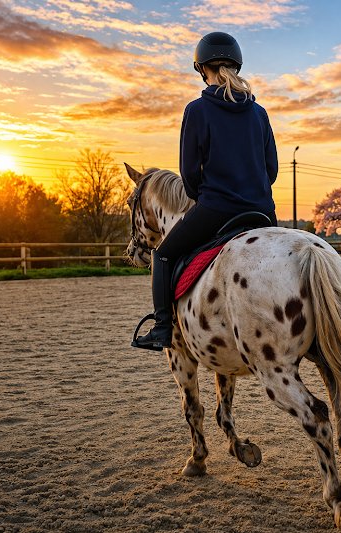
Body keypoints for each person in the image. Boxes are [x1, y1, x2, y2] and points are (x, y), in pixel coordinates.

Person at [132, 31, 279, 351]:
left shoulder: (197, 110)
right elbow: (273, 172)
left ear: (201, 68)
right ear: (237, 66)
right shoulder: (259, 113)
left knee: (164, 254)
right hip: (264, 213)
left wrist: (204, 196)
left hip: (217, 209)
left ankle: (161, 328)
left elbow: (188, 174)